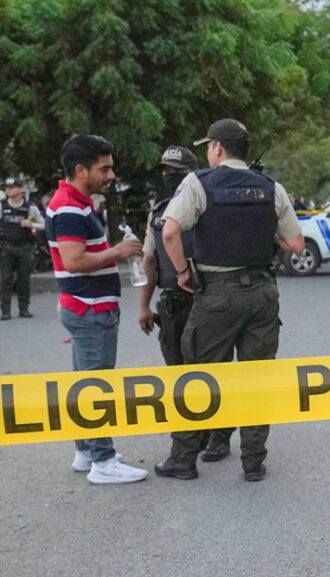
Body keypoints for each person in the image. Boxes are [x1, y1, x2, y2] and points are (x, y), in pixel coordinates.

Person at [154, 119, 304, 483]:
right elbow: (296, 245)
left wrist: (183, 272)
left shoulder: (199, 182)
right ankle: (253, 462)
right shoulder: (271, 188)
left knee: (199, 376)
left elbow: (170, 230)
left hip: (217, 294)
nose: (208, 152)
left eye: (208, 146)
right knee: (256, 378)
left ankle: (184, 459)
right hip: (262, 293)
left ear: (218, 148)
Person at [47, 134, 149, 484]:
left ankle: (87, 450)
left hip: (85, 307)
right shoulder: (70, 208)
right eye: (104, 168)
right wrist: (117, 253)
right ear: (81, 170)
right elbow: (74, 260)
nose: (111, 175)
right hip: (89, 309)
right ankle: (103, 462)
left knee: (84, 384)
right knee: (96, 388)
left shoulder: (75, 202)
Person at [137, 146, 233, 462]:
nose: (170, 177)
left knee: (215, 372)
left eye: (177, 171)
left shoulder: (210, 203)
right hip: (172, 302)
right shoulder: (157, 211)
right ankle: (191, 438)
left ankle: (219, 436)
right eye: (165, 170)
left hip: (208, 298)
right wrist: (143, 305)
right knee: (178, 376)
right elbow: (149, 262)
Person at [1, 177, 44, 319]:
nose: (8, 190)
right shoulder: (2, 206)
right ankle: (5, 311)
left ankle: (24, 309)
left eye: (12, 187)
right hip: (7, 247)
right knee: (6, 279)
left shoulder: (30, 208)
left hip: (25, 247)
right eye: (6, 188)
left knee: (24, 279)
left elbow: (44, 223)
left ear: (19, 189)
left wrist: (32, 225)